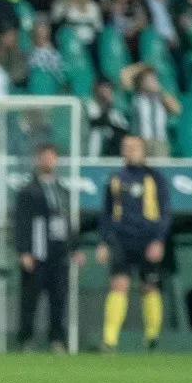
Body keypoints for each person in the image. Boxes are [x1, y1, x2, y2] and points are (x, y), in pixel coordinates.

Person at [96, 135, 171, 352]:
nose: (129, 151)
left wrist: (159, 240)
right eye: (126, 147)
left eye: (134, 147)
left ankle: (151, 337)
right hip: (121, 239)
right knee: (118, 285)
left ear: (143, 151)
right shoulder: (116, 178)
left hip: (148, 240)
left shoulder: (156, 178)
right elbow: (107, 212)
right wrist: (103, 242)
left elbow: (165, 212)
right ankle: (109, 340)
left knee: (149, 287)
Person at [15, 144, 85, 353]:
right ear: (38, 159)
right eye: (44, 157)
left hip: (59, 253)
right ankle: (25, 339)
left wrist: (75, 248)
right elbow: (22, 222)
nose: (48, 161)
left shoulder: (62, 190)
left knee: (59, 299)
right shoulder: (28, 191)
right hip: (37, 252)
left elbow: (67, 222)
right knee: (30, 300)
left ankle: (57, 340)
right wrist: (23, 250)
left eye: (52, 157)